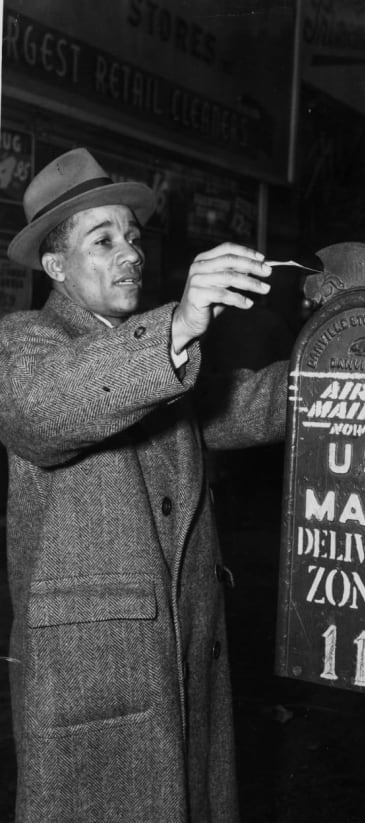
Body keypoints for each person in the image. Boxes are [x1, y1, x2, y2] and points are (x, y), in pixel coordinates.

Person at [0, 148, 288, 823]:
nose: (130, 251)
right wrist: (180, 324)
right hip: (95, 684)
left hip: (185, 657)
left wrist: (343, 374)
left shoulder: (156, 355)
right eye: (102, 239)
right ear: (54, 266)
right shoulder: (24, 341)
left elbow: (240, 403)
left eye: (132, 235)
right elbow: (49, 406)